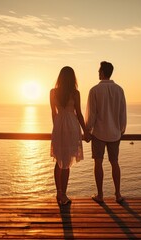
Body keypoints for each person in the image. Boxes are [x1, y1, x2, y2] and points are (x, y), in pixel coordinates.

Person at [85, 61, 127, 203]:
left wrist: (87, 130)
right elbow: (122, 113)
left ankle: (100, 195)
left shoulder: (94, 90)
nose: (98, 73)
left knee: (98, 163)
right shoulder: (119, 90)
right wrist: (121, 129)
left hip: (98, 133)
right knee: (114, 162)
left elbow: (92, 115)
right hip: (115, 132)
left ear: (102, 72)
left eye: (99, 71)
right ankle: (118, 194)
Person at [50, 66, 90, 205]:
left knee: (59, 160)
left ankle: (59, 192)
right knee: (66, 163)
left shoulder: (53, 92)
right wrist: (86, 131)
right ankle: (64, 194)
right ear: (72, 78)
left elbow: (53, 113)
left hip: (59, 125)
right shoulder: (75, 93)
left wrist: (56, 127)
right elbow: (78, 113)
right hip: (71, 126)